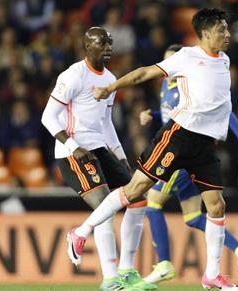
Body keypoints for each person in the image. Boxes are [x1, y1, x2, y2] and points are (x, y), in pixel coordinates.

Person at [67, 8, 238, 290]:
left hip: (205, 145)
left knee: (216, 205)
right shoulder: (186, 57)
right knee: (136, 190)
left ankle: (212, 275)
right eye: (222, 30)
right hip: (179, 136)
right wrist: (111, 87)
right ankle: (81, 231)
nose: (228, 35)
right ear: (206, 32)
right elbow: (145, 73)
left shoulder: (224, 59)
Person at [41, 27, 156, 291]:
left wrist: (119, 153)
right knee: (105, 205)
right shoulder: (73, 75)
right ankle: (110, 279)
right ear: (87, 46)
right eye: (102, 42)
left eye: (110, 42)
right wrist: (72, 144)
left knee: (138, 198)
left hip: (100, 148)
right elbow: (48, 116)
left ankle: (127, 271)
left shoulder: (112, 79)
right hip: (73, 151)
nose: (108, 47)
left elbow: (105, 123)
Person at [140, 44, 238, 284]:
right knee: (193, 216)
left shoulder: (192, 86)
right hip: (185, 158)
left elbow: (225, 112)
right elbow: (168, 114)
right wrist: (152, 115)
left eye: (172, 63)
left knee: (152, 203)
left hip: (181, 158)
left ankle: (163, 263)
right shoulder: (167, 84)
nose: (168, 69)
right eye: (166, 63)